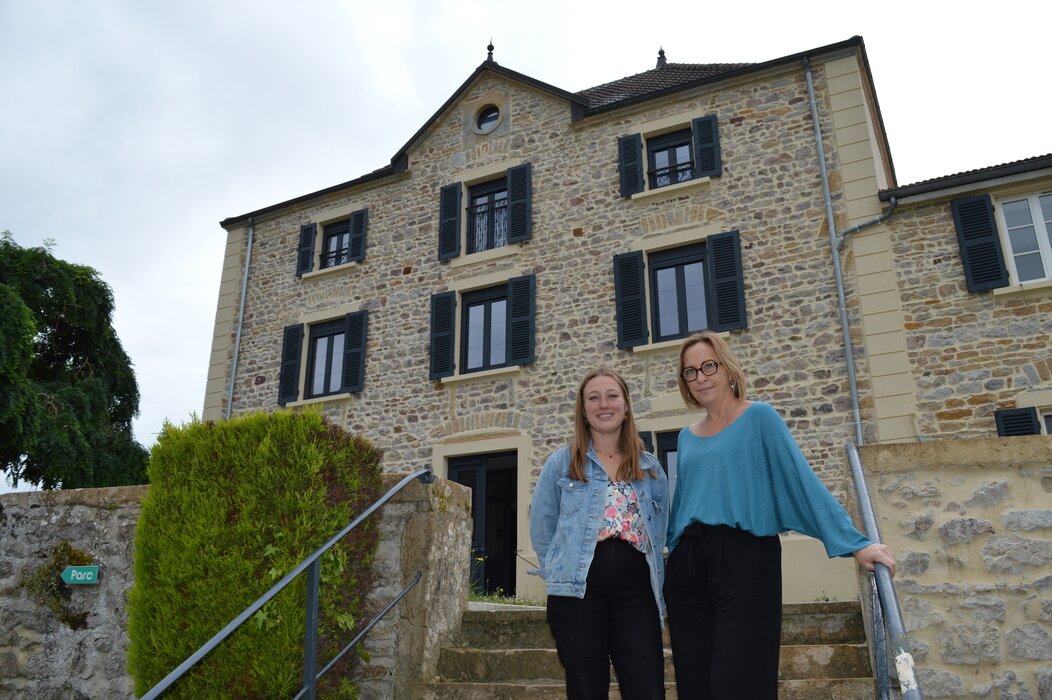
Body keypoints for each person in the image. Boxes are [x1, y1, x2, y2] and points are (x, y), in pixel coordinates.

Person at [663, 331, 897, 700]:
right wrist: (669, 557)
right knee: (695, 683)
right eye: (690, 372)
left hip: (745, 560)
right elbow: (683, 505)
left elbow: (800, 480)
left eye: (708, 366)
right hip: (689, 565)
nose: (701, 377)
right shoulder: (686, 436)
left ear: (726, 368)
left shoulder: (759, 417)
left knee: (738, 681)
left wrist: (856, 543)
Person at [529, 368, 669, 700]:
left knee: (648, 688)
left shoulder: (651, 469)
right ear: (583, 408)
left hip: (638, 593)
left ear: (626, 405)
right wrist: (559, 575)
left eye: (611, 396)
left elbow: (661, 533)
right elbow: (542, 528)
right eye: (593, 397)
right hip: (578, 593)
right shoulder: (561, 464)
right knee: (586, 689)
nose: (603, 404)